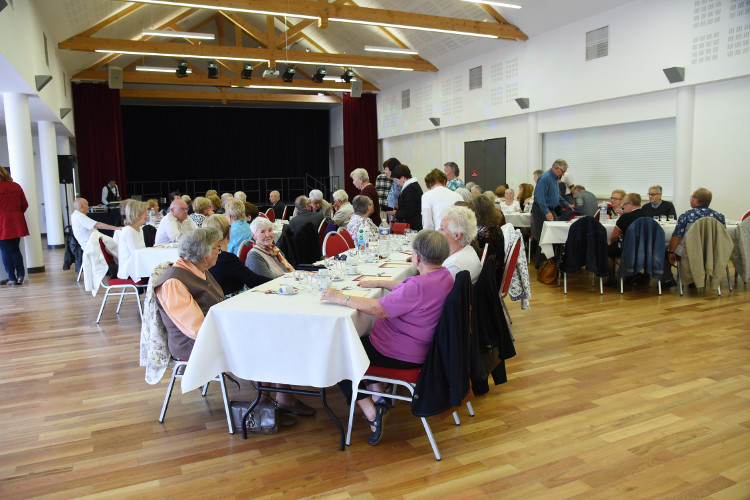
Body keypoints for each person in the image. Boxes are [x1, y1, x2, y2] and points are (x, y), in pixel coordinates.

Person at [320, 230, 453, 446]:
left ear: (416, 258)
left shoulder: (417, 287)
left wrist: (341, 298)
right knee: (357, 343)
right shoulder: (444, 276)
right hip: (416, 348)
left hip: (399, 354)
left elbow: (378, 308)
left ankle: (372, 413)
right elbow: (408, 288)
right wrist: (381, 283)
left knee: (338, 355)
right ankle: (380, 398)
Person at [154, 227, 224, 361]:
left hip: (210, 333)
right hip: (191, 344)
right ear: (204, 255)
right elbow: (195, 328)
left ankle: (264, 381)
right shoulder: (174, 282)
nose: (219, 252)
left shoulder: (199, 267)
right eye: (217, 247)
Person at [203, 214, 270, 296]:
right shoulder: (226, 259)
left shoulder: (202, 257)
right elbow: (254, 280)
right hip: (230, 304)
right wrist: (280, 283)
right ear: (228, 234)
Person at [668, 188, 726, 264]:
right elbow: (723, 236)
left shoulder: (686, 216)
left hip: (689, 252)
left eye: (692, 197)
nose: (690, 199)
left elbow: (677, 236)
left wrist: (671, 252)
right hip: (711, 253)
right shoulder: (719, 217)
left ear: (696, 200)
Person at [530, 160, 571, 265]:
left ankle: (549, 264)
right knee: (544, 238)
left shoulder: (554, 178)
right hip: (542, 210)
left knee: (551, 237)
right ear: (556, 168)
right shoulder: (545, 178)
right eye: (563, 171)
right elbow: (540, 197)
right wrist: (546, 211)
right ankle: (541, 266)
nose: (563, 174)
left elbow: (556, 195)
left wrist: (567, 204)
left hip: (549, 210)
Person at [606, 193, 649, 285]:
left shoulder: (625, 217)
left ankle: (612, 278)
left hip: (627, 249)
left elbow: (614, 236)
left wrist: (610, 242)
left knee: (608, 250)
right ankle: (644, 276)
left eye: (624, 205)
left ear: (631, 204)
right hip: (645, 248)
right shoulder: (647, 215)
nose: (622, 207)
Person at [0, 166, 29, 286]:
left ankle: (11, 278)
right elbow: (25, 204)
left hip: (2, 222)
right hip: (17, 221)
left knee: (5, 251)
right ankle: (20, 275)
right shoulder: (16, 186)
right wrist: (16, 214)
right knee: (16, 249)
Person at [438, 205, 482, 283]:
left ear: (457, 235)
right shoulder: (468, 249)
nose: (437, 231)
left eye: (442, 228)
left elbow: (431, 292)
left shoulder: (453, 266)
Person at [468, 194, 505, 286]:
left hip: (486, 280)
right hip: (495, 274)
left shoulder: (483, 235)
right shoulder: (495, 228)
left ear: (476, 212)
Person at [117, 200, 149, 279]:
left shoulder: (140, 228)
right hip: (130, 270)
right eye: (143, 212)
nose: (147, 214)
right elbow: (136, 252)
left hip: (138, 265)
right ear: (135, 213)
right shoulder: (128, 230)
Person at [391, 164, 423, 231]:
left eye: (397, 180)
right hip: (409, 226)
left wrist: (395, 212)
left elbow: (409, 211)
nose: (397, 183)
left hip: (412, 227)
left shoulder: (411, 188)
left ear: (402, 178)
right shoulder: (410, 187)